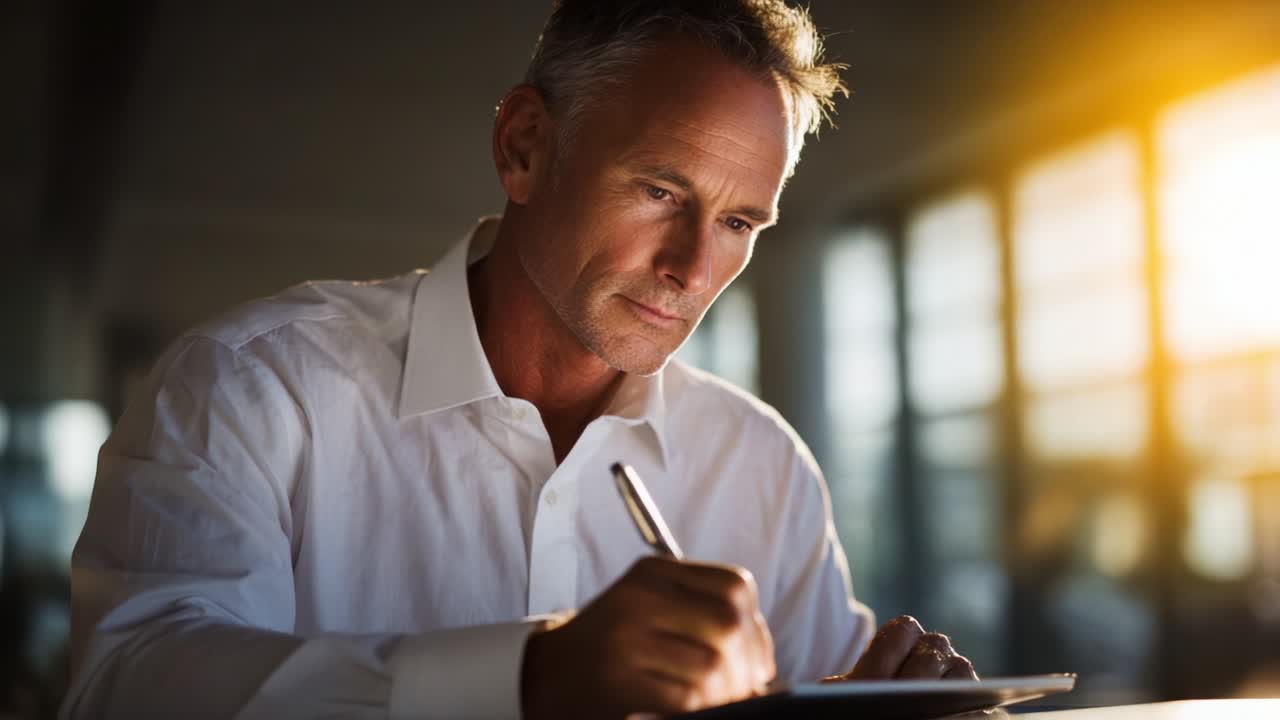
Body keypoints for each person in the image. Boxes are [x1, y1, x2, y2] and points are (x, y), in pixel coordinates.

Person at [63, 1, 976, 718]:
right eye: (661, 191)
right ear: (524, 147)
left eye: (739, 222)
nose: (693, 269)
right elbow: (128, 686)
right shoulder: (251, 386)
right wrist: (529, 676)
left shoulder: (762, 464)